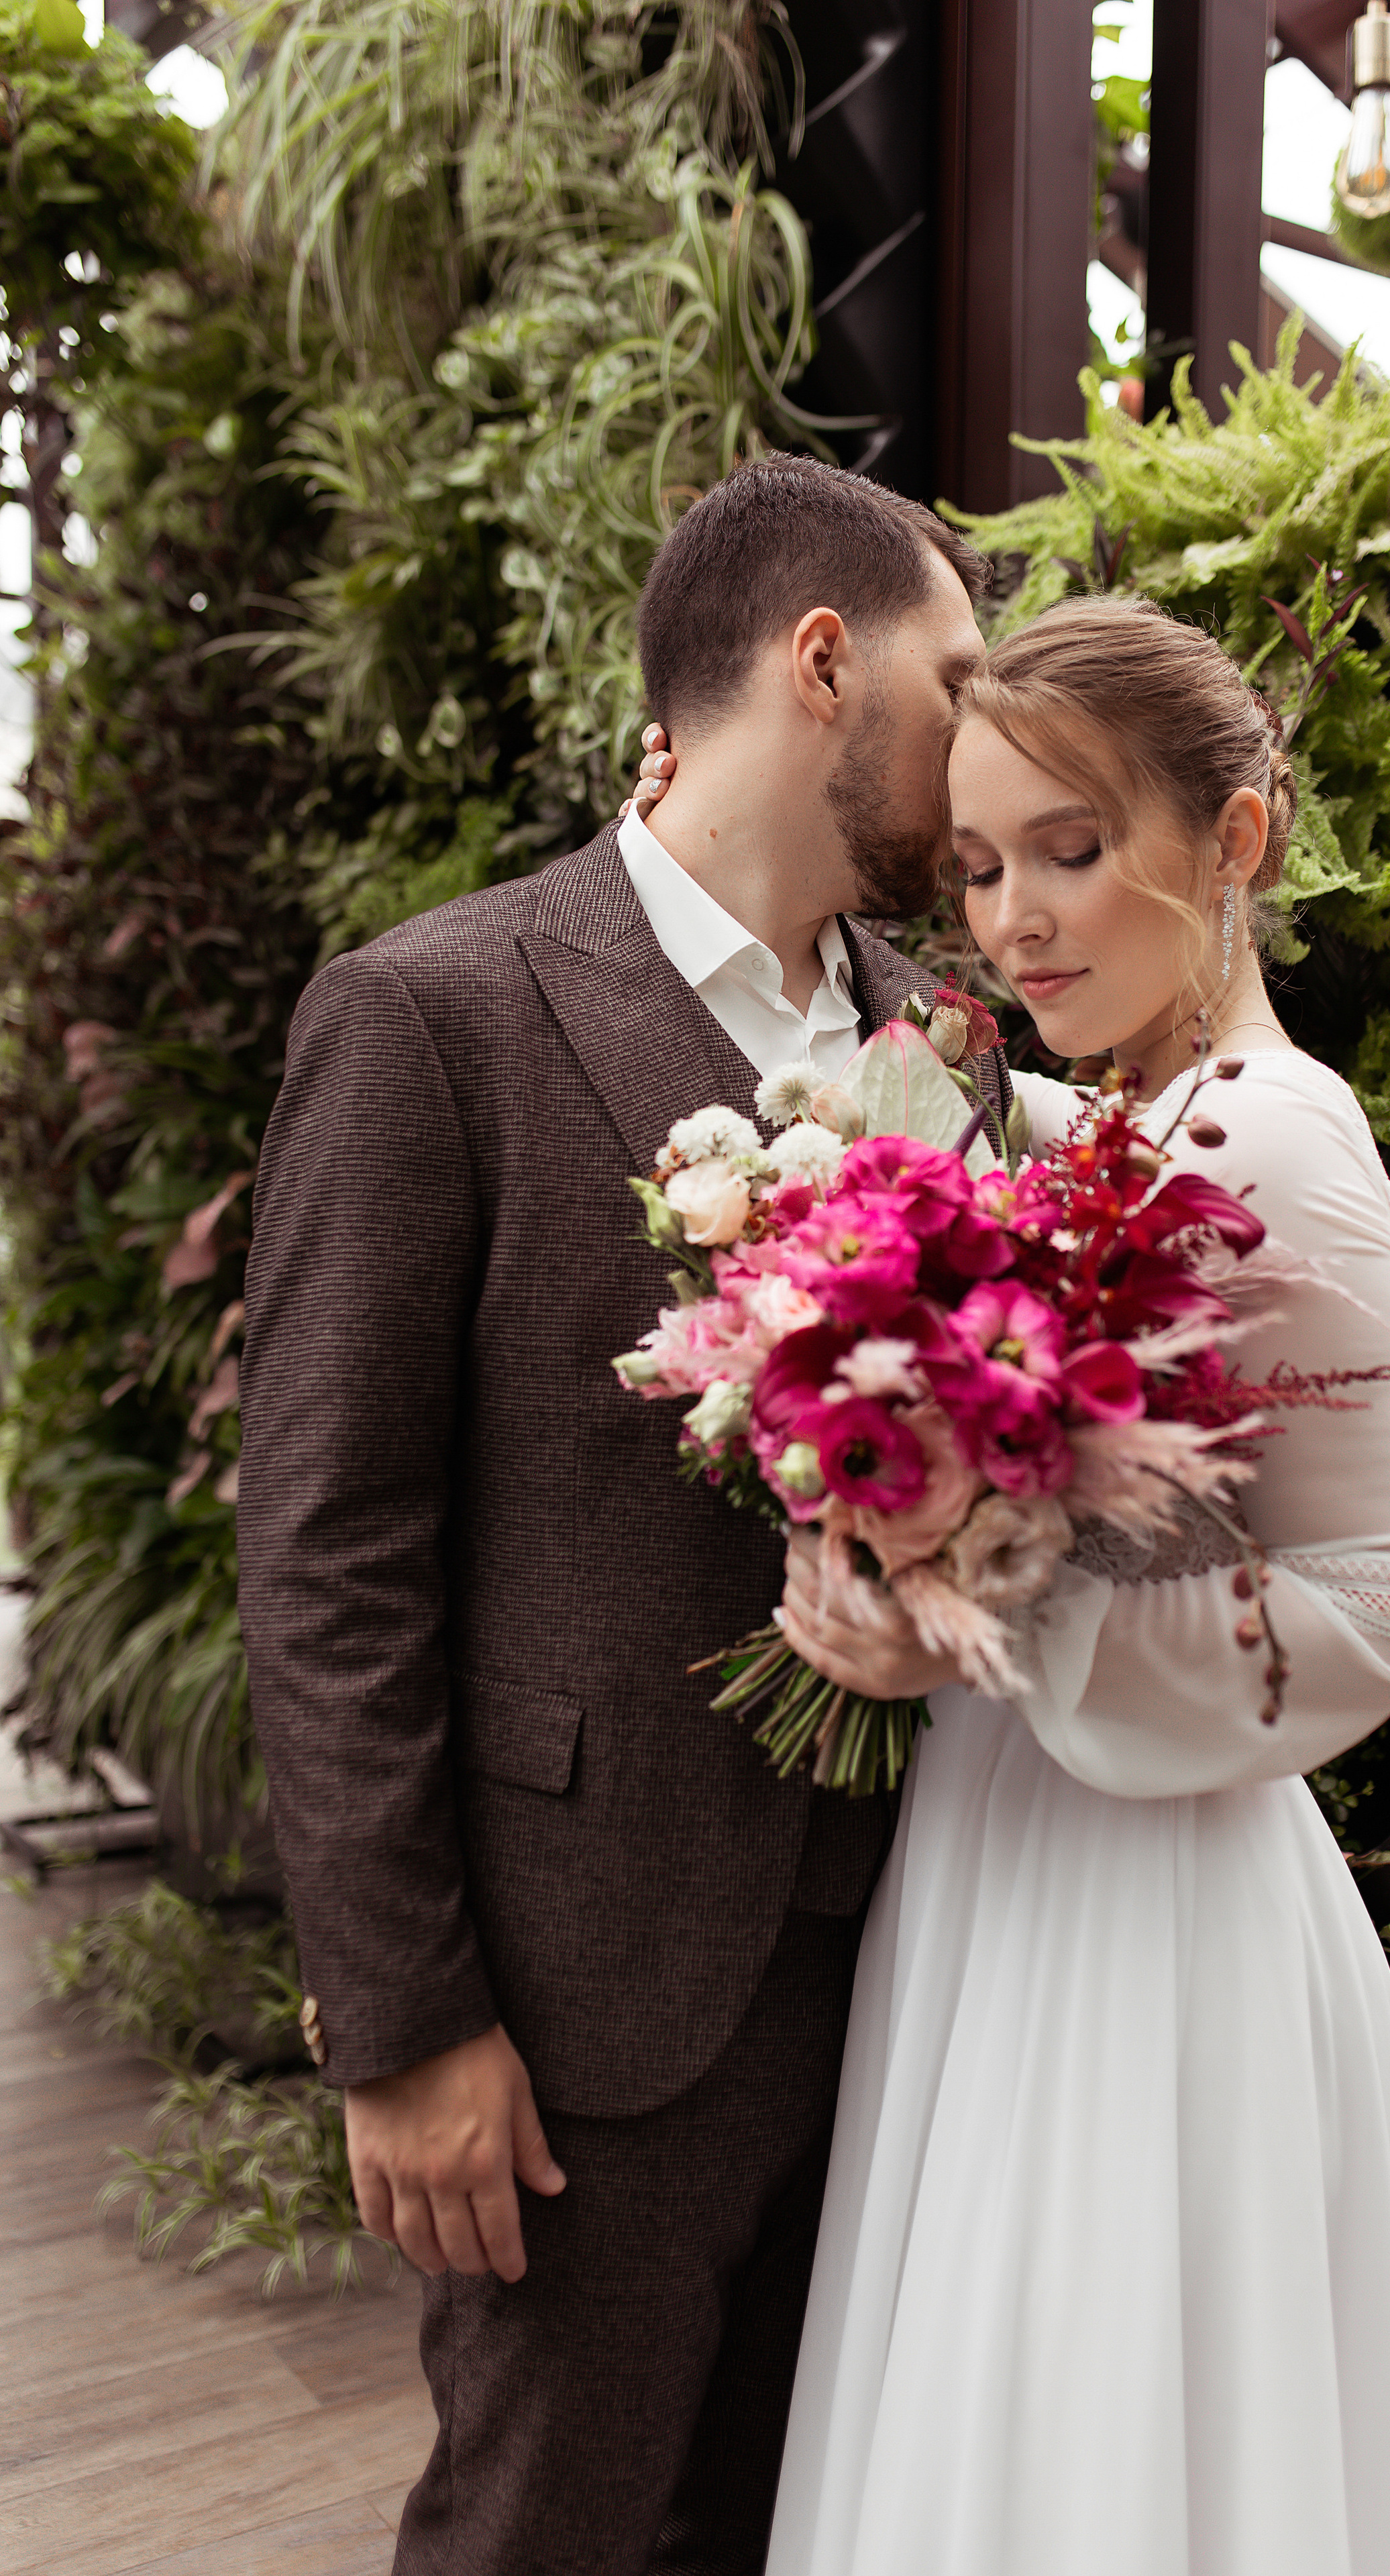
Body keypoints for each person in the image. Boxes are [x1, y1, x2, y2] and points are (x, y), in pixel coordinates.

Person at [235, 453, 1010, 2576]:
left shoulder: (956, 1052)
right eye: (961, 674)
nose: (992, 728)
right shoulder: (435, 1015)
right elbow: (324, 1554)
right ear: (823, 664)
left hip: (925, 1974)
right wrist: (400, 2028)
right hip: (579, 2014)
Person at [742, 597, 1390, 2574]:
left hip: (1154, 1902)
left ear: (1236, 839)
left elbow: (1380, 1597)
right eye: (979, 866)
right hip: (1021, 1859)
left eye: (1072, 849)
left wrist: (990, 1624)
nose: (1016, 918)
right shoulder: (1120, 1123)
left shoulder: (1274, 1143)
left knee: (1095, 2442)